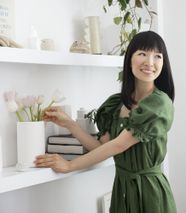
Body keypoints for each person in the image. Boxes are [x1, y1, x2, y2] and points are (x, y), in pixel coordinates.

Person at [34, 31, 177, 213]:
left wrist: (69, 165)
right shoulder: (116, 104)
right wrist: (70, 124)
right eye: (142, 54)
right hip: (122, 191)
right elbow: (100, 146)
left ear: (163, 64)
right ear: (130, 59)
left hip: (150, 193)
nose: (150, 62)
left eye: (157, 56)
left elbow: (118, 145)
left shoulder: (159, 103)